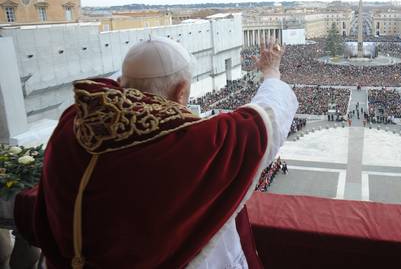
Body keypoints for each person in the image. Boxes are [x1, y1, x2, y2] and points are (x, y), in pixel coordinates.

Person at [15, 37, 298, 269]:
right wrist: (271, 72)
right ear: (182, 91)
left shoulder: (75, 121)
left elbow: (118, 83)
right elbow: (266, 121)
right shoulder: (191, 146)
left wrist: (139, 68)